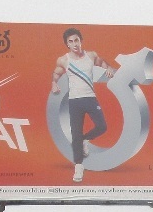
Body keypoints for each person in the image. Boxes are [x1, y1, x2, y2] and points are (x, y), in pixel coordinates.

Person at [50, 27, 117, 182]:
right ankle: (78, 167)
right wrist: (54, 83)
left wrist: (108, 68)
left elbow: (103, 63)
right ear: (67, 44)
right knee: (76, 134)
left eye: (77, 40)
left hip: (90, 98)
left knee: (102, 126)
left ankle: (85, 140)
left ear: (81, 41)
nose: (75, 44)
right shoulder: (63, 60)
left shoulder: (91, 56)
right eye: (71, 41)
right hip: (74, 101)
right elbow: (56, 73)